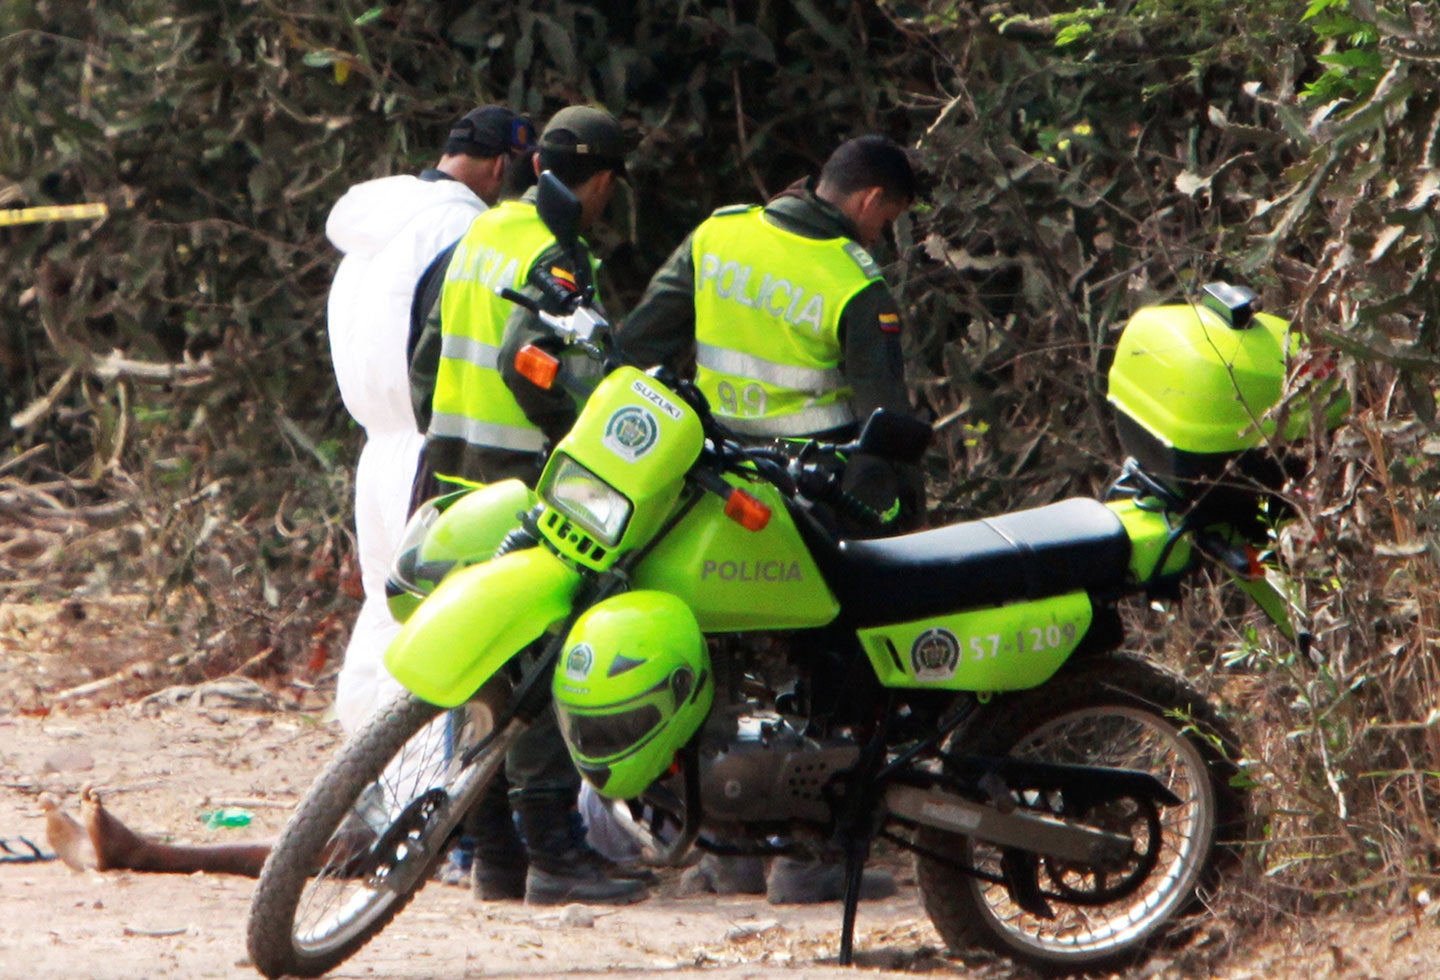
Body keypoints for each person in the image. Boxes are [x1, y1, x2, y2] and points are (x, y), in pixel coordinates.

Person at [608, 134, 925, 903]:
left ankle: (724, 851)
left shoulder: (719, 235)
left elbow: (638, 345)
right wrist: (889, 519)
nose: (881, 236)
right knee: (834, 658)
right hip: (804, 493)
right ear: (872, 202)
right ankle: (812, 859)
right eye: (887, 222)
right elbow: (882, 420)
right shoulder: (853, 281)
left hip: (705, 481)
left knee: (712, 653)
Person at [409, 105, 648, 907]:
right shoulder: (557, 252)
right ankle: (551, 851)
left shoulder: (482, 233)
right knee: (538, 663)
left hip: (456, 477)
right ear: (604, 181)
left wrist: (443, 442)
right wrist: (581, 446)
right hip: (526, 483)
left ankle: (494, 854)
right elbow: (535, 365)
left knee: (481, 663)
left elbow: (424, 355)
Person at [327, 105, 537, 736]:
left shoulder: (375, 228)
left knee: (388, 625)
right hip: (428, 451)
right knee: (444, 638)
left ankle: (361, 805)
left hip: (377, 451)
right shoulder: (460, 231)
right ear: (502, 167)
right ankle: (429, 813)